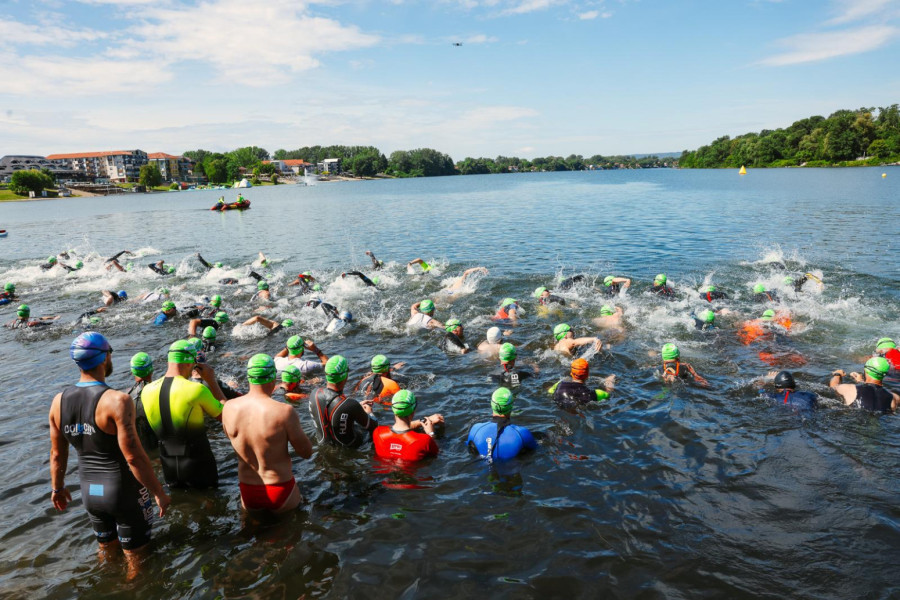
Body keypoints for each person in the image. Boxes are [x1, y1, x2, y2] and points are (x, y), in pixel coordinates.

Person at [48, 333, 169, 574]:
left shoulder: (58, 401)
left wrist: (57, 489)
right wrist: (158, 492)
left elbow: (57, 454)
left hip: (89, 492)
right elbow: (133, 457)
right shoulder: (117, 401)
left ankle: (106, 583)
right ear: (104, 357)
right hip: (122, 491)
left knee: (106, 551)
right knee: (137, 560)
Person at [222, 354, 312, 514]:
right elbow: (306, 453)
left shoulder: (228, 407)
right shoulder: (284, 412)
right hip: (280, 488)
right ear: (273, 378)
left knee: (253, 528)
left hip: (247, 490)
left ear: (249, 377)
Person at [140, 340, 227, 488]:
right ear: (189, 363)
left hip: (169, 467)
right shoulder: (196, 390)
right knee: (210, 500)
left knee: (178, 500)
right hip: (199, 466)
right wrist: (211, 381)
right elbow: (228, 416)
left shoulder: (146, 391)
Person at [307, 355, 378, 448]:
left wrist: (356, 408)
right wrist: (369, 412)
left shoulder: (314, 393)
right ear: (345, 376)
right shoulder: (350, 405)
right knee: (374, 430)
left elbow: (332, 410)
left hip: (322, 444)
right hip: (351, 447)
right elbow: (373, 425)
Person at [467, 387, 537, 462]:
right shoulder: (522, 434)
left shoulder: (476, 429)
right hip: (511, 468)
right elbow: (535, 450)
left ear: (492, 404)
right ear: (511, 406)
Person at [372, 390, 443, 461]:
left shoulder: (378, 433)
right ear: (413, 412)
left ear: (393, 410)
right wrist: (431, 433)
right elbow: (437, 453)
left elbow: (399, 430)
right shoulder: (425, 440)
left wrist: (420, 422)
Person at [829, 358, 899, 413]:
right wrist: (860, 381)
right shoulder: (894, 397)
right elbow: (873, 390)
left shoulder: (850, 389)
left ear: (866, 371)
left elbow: (833, 386)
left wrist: (837, 375)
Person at [549, 358, 615, 410]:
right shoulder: (595, 394)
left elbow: (550, 391)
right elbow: (608, 395)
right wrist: (609, 382)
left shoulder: (559, 385)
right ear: (587, 375)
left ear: (571, 373)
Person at [126, 352, 159, 453]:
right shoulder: (160, 391)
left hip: (141, 451)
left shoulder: (126, 396)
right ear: (151, 370)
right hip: (161, 448)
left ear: (133, 372)